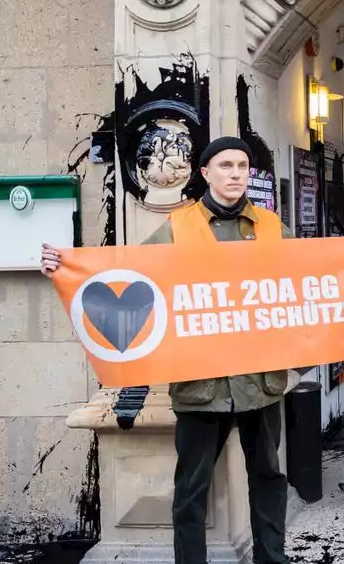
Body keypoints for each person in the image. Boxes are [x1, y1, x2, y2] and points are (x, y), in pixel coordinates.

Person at [41, 136, 293, 564]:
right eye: (226, 165)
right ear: (205, 173)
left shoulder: (272, 226)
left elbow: (312, 279)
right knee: (191, 490)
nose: (235, 174)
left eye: (242, 166)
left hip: (260, 383)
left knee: (268, 478)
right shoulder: (178, 227)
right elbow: (128, 274)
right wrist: (66, 266)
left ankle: (273, 559)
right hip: (201, 383)